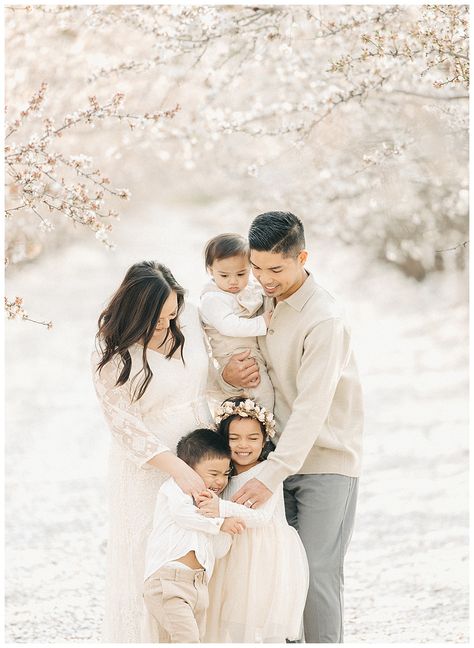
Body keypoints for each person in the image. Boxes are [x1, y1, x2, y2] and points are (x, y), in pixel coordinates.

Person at [221, 212, 364, 643]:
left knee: (317, 572)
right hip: (272, 461)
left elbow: (311, 407)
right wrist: (230, 371)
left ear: (302, 257)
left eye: (276, 269)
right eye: (257, 267)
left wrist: (273, 471)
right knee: (274, 574)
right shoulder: (260, 304)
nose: (263, 279)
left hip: (324, 460)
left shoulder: (325, 320)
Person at [92, 261, 217, 643]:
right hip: (149, 466)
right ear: (135, 313)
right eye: (158, 319)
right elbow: (124, 426)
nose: (167, 325)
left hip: (201, 452)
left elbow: (205, 374)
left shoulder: (189, 318)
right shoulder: (114, 356)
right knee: (153, 559)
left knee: (199, 552)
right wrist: (176, 469)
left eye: (171, 315)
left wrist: (228, 378)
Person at [199, 397, 309, 643]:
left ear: (264, 440)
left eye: (252, 438)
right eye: (234, 438)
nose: (243, 445)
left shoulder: (268, 471)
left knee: (261, 619)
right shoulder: (224, 473)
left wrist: (220, 507)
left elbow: (260, 517)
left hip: (264, 554)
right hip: (233, 554)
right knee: (232, 620)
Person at [143, 428, 246, 643]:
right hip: (169, 581)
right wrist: (220, 524)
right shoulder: (175, 489)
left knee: (179, 640)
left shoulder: (208, 504)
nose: (220, 481)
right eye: (213, 474)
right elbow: (183, 516)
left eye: (226, 474)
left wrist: (224, 523)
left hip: (198, 587)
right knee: (188, 641)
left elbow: (217, 550)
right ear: (189, 470)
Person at [199, 233, 274, 412]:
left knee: (260, 397)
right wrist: (262, 323)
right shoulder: (212, 299)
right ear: (210, 270)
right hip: (233, 357)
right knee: (264, 397)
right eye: (224, 275)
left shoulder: (247, 288)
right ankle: (267, 431)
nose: (233, 281)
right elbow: (229, 325)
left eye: (241, 273)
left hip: (251, 353)